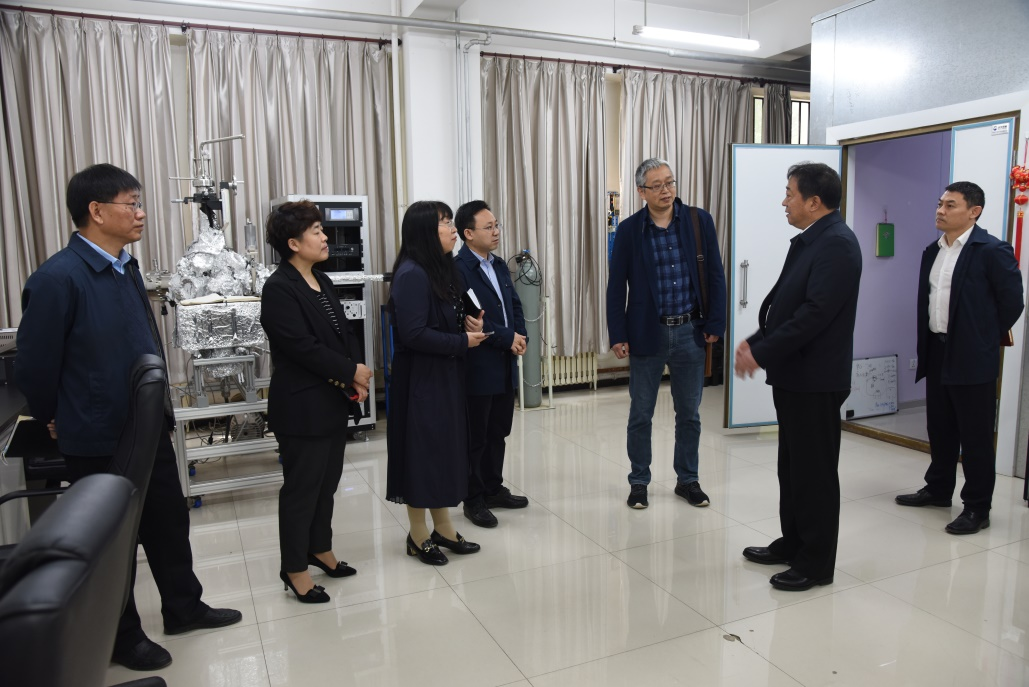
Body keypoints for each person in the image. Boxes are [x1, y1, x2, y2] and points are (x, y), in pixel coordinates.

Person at [14, 163, 241, 670]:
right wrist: (54, 416)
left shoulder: (126, 267)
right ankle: (121, 636)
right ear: (96, 211)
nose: (140, 213)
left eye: (139, 203)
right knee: (114, 541)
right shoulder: (58, 279)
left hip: (148, 425)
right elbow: (34, 365)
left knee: (168, 522)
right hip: (99, 433)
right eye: (131, 204)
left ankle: (184, 607)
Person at [735, 162, 861, 592]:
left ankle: (816, 563)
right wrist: (758, 341)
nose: (784, 201)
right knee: (792, 468)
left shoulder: (838, 244)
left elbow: (814, 314)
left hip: (816, 377)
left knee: (815, 473)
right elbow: (788, 306)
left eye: (790, 193)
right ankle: (793, 542)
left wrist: (761, 352)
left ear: (814, 201)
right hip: (795, 373)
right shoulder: (812, 240)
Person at [260, 200, 373, 603]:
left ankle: (319, 549)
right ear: (293, 243)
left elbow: (343, 332)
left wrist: (354, 373)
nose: (325, 237)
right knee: (302, 489)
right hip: (301, 406)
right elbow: (301, 348)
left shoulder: (320, 279)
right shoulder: (279, 288)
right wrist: (350, 371)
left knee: (326, 484)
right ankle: (294, 568)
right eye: (316, 232)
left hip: (331, 399)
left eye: (322, 230)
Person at [895, 182, 1023, 534]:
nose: (940, 210)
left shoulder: (991, 250)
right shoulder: (932, 251)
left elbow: (1012, 302)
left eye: (950, 205)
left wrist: (982, 337)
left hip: (972, 354)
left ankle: (977, 507)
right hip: (937, 349)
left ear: (974, 212)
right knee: (940, 426)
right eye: (940, 203)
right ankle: (938, 489)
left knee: (975, 434)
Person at [606, 157, 726, 510]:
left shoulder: (698, 221)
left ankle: (688, 479)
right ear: (641, 192)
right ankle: (639, 481)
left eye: (670, 182)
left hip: (690, 331)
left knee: (689, 414)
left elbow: (715, 275)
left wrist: (715, 323)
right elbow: (617, 286)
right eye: (657, 185)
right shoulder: (630, 230)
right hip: (648, 333)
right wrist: (618, 333)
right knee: (641, 413)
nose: (666, 190)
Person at [386, 200, 487, 565]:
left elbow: (447, 318)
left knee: (443, 451)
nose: (452, 229)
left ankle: (443, 527)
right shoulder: (412, 274)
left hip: (445, 375)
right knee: (422, 454)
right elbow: (413, 334)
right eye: (445, 223)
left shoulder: (441, 269)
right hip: (421, 380)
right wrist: (462, 342)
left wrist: (469, 325)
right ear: (425, 232)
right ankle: (417, 534)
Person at [453, 200, 529, 528]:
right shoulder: (459, 270)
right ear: (468, 233)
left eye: (497, 225)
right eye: (489, 227)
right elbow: (473, 321)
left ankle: (493, 488)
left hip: (504, 362)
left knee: (499, 430)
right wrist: (507, 337)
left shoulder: (497, 264)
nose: (496, 231)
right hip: (478, 364)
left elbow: (514, 304)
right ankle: (473, 498)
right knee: (477, 436)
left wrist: (521, 336)